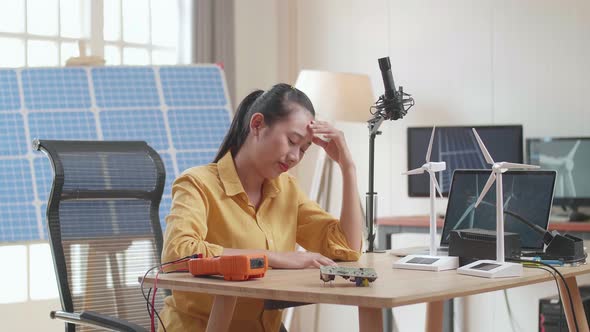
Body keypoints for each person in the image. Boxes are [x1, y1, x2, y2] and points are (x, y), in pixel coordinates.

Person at [158, 83, 363, 332]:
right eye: (292, 141)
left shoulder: (286, 189)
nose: (295, 157)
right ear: (257, 125)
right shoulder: (197, 183)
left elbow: (347, 248)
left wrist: (348, 167)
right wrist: (275, 258)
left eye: (303, 150)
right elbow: (177, 254)